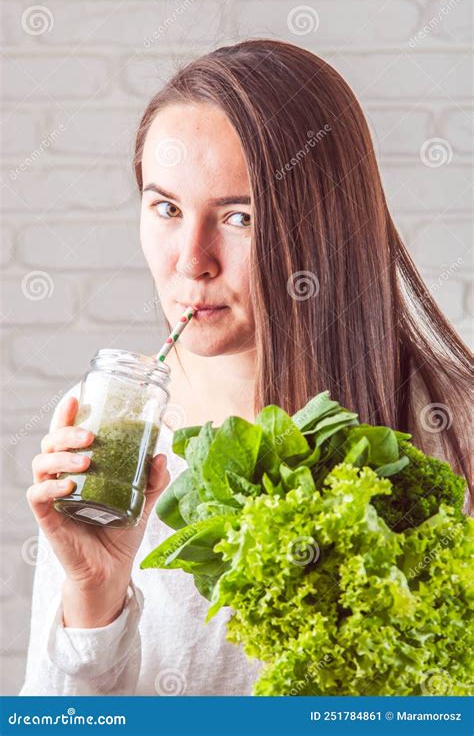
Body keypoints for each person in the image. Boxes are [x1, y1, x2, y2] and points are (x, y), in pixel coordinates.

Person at [20, 39, 472, 696]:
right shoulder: (114, 431)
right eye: (166, 208)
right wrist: (93, 595)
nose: (191, 259)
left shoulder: (448, 427)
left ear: (322, 227)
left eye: (239, 216)